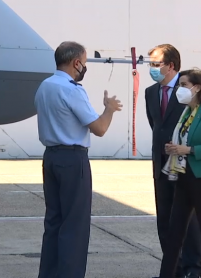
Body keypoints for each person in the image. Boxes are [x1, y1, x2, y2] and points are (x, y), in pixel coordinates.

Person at [34, 41, 122, 278]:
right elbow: (99, 128)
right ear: (76, 63)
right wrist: (109, 109)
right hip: (72, 159)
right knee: (75, 225)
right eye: (83, 62)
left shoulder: (44, 86)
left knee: (54, 222)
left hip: (51, 157)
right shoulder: (72, 89)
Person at [158, 68, 201, 278]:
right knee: (175, 231)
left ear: (197, 88)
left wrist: (188, 150)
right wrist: (173, 147)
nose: (180, 89)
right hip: (184, 176)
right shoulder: (186, 112)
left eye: (184, 85)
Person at [145, 44, 201, 278]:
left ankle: (192, 269)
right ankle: (173, 269)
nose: (152, 68)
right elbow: (155, 124)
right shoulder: (151, 92)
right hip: (161, 164)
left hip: (185, 165)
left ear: (171, 66)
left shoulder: (187, 89)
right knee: (165, 219)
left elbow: (200, 122)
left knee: (189, 220)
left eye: (155, 64)